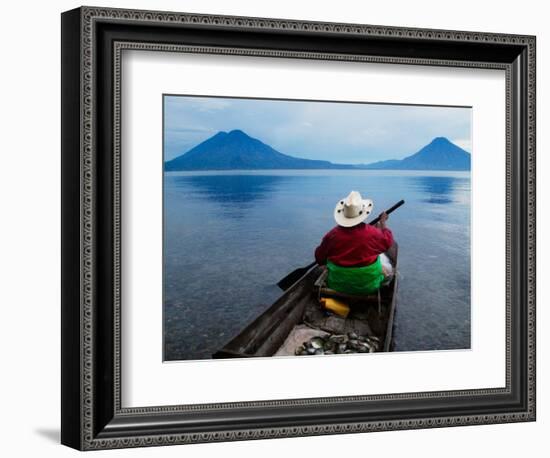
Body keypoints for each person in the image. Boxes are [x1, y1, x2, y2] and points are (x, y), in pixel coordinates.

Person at [314, 191, 394, 295]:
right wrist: (383, 224)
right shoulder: (372, 232)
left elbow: (319, 259)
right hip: (369, 286)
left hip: (337, 285)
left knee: (321, 270)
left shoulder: (331, 235)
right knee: (389, 271)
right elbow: (387, 242)